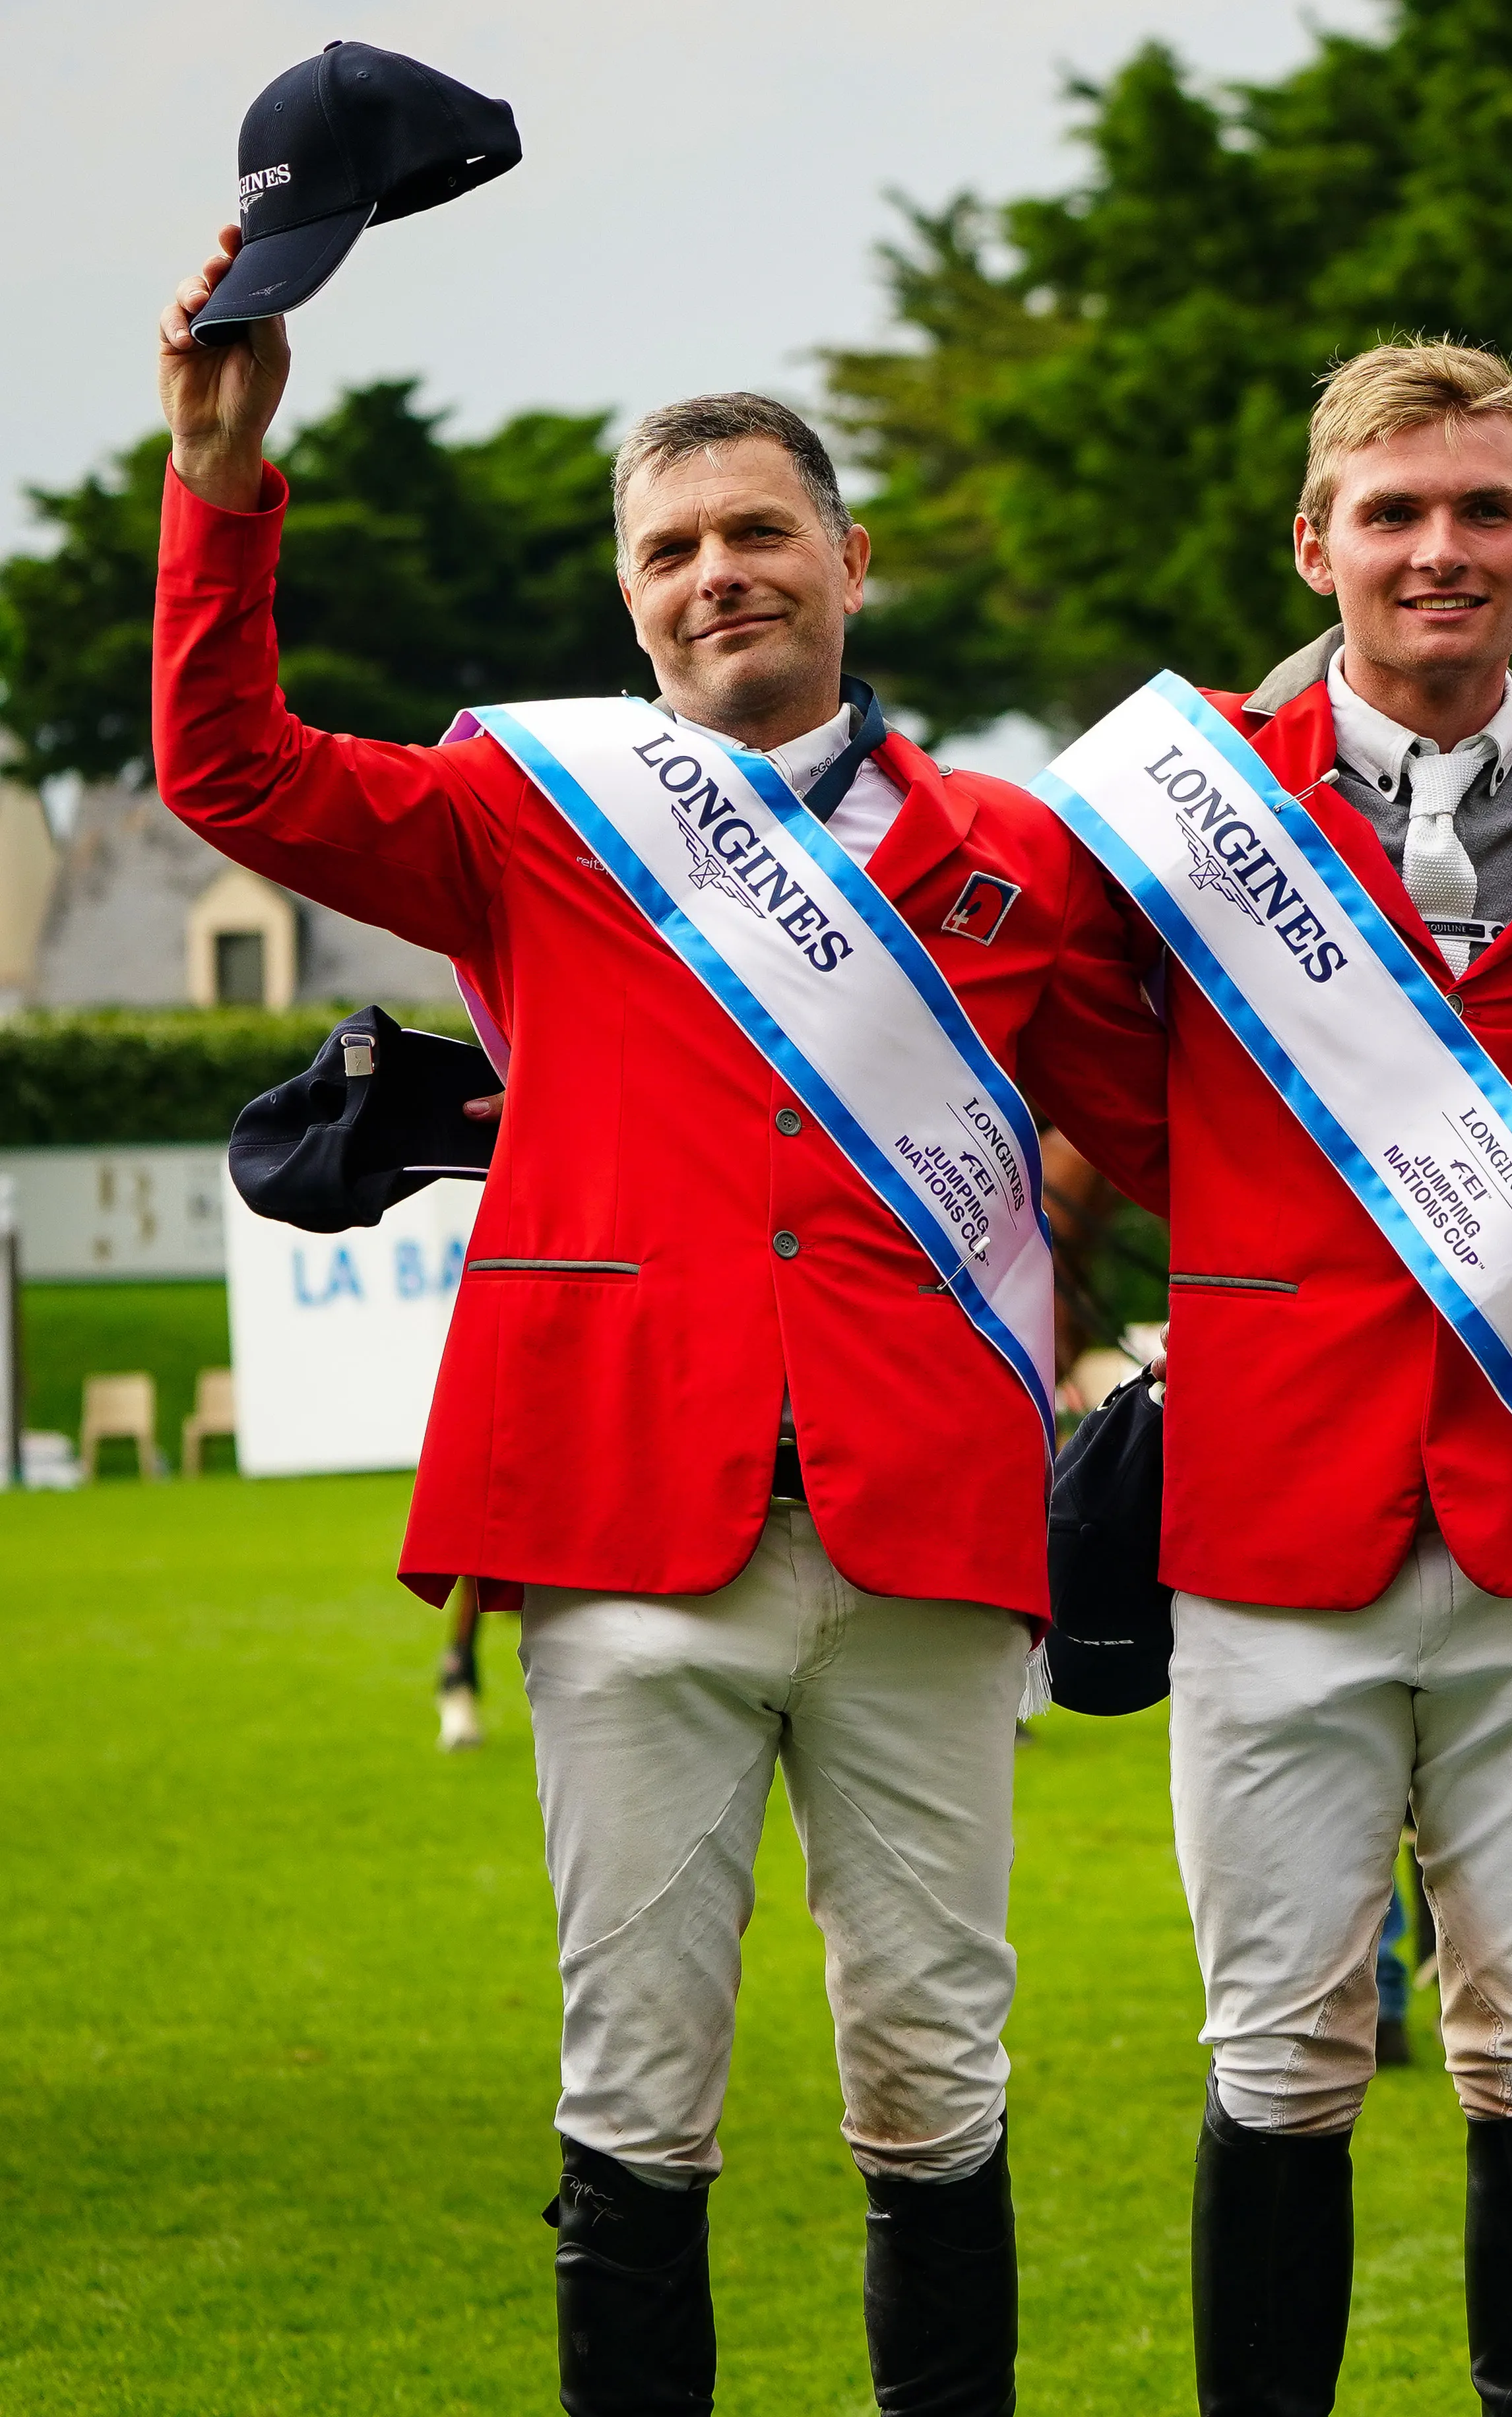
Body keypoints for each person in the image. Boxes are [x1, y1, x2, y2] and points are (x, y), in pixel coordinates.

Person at [152, 228, 1166, 2412]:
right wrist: (222, 488)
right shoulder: (528, 812)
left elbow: (1178, 1135)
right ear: (631, 595)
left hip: (927, 1533)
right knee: (637, 2083)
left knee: (933, 2076)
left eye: (761, 533)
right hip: (626, 1520)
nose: (721, 573)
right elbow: (232, 779)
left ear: (850, 557)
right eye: (675, 546)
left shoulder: (1016, 850)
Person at [1069, 343, 1512, 2417]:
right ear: (1313, 540)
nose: (1442, 549)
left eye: (1485, 509)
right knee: (1282, 2051)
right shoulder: (1176, 808)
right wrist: (1264, 1206)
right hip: (1269, 1513)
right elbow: (1055, 1039)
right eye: (1396, 512)